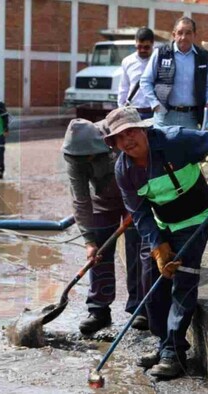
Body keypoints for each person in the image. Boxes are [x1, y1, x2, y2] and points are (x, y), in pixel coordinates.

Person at [103, 107, 208, 378]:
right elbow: (139, 212)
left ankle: (174, 354)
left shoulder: (175, 140)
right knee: (152, 283)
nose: (127, 140)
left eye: (131, 131)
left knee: (183, 281)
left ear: (144, 130)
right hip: (162, 222)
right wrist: (157, 246)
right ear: (114, 144)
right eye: (120, 137)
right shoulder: (123, 170)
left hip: (194, 218)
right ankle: (164, 342)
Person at [61, 119, 149, 334]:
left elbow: (140, 169)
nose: (88, 160)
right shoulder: (73, 157)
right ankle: (99, 309)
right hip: (102, 201)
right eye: (83, 158)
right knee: (99, 253)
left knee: (138, 250)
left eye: (90, 156)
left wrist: (137, 206)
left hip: (134, 196)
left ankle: (140, 307)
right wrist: (88, 241)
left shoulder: (115, 139)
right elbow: (80, 199)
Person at [140, 17, 208, 129]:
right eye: (180, 33)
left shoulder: (202, 56)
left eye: (188, 33)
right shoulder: (161, 53)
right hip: (164, 117)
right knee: (162, 147)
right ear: (174, 34)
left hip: (192, 118)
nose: (183, 37)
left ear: (195, 35)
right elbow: (145, 81)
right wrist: (154, 104)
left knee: (188, 147)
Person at [117, 27, 156, 119]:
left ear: (152, 44)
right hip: (133, 113)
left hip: (154, 113)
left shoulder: (158, 60)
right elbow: (124, 87)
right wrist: (121, 108)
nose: (142, 50)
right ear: (135, 43)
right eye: (139, 47)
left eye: (146, 47)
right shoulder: (127, 61)